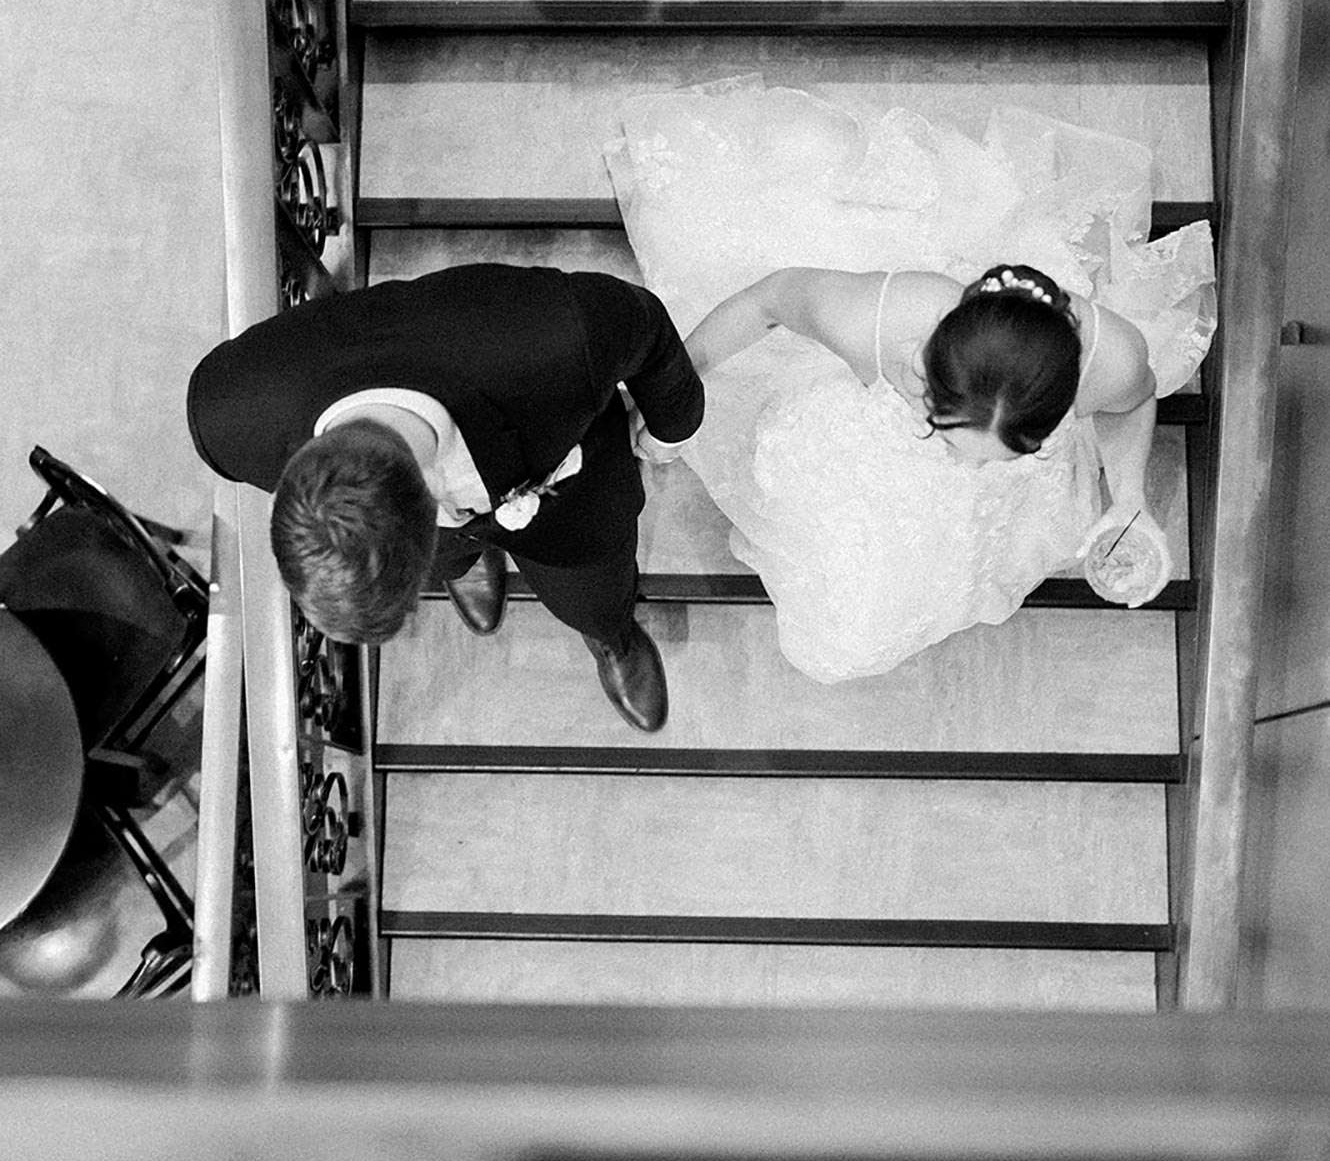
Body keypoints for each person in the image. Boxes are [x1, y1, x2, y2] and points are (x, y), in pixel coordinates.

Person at [605, 80, 1216, 683]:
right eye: (949, 436)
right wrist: (670, 391)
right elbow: (766, 300)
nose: (973, 467)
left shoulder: (1113, 357)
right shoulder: (883, 319)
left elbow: (1130, 405)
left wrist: (1130, 496)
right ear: (925, 374)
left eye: (1005, 452)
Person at [186, 263, 704, 731]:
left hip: (571, 505)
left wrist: (670, 428)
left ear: (437, 505)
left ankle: (610, 636)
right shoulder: (228, 417)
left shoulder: (557, 337)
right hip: (437, 530)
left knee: (593, 597)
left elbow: (648, 325)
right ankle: (464, 561)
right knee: (452, 563)